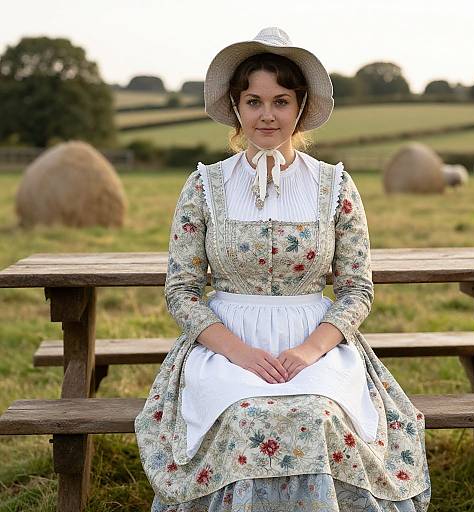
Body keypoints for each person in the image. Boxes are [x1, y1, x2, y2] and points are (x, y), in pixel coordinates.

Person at [135, 27, 431, 511]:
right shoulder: (204, 186)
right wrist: (240, 353)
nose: (267, 115)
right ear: (236, 107)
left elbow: (357, 289)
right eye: (253, 101)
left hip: (315, 342)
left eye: (280, 100)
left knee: (318, 414)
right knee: (245, 415)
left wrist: (308, 351)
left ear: (300, 106)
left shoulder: (334, 184)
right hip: (225, 346)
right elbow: (183, 290)